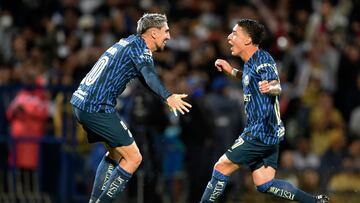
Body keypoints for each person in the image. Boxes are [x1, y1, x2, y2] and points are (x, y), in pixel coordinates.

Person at [199, 19, 329, 203]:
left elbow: (275, 84)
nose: (229, 37)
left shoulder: (263, 60)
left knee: (221, 166)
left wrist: (272, 87)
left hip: (260, 131)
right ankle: (315, 202)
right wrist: (232, 72)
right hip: (270, 131)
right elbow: (250, 79)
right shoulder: (251, 63)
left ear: (247, 40)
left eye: (235, 33)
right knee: (264, 183)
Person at [70, 13, 192, 203]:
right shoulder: (140, 49)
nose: (169, 36)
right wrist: (168, 96)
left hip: (81, 102)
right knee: (134, 158)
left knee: (116, 152)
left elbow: (144, 77)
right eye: (166, 31)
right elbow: (150, 76)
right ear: (153, 33)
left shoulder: (128, 42)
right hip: (96, 106)